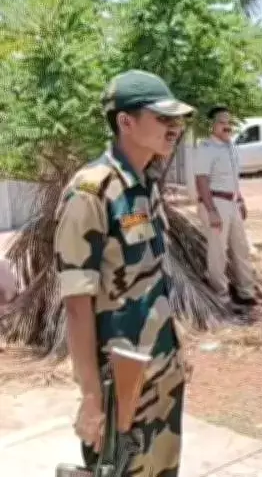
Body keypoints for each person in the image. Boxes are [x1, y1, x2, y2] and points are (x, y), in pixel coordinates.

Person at [53, 69, 194, 476]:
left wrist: (176, 347)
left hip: (161, 371)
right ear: (125, 122)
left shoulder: (145, 185)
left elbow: (154, 278)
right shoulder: (91, 192)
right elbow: (77, 306)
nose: (175, 128)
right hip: (122, 384)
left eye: (177, 120)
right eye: (163, 119)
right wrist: (91, 398)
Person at [194, 105, 256, 314]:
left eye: (228, 122)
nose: (226, 126)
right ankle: (220, 297)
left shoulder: (231, 147)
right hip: (216, 203)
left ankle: (246, 292)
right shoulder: (206, 148)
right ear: (212, 125)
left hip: (232, 203)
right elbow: (201, 179)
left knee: (241, 248)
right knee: (218, 251)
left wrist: (241, 200)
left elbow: (233, 179)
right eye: (221, 122)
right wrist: (211, 210)